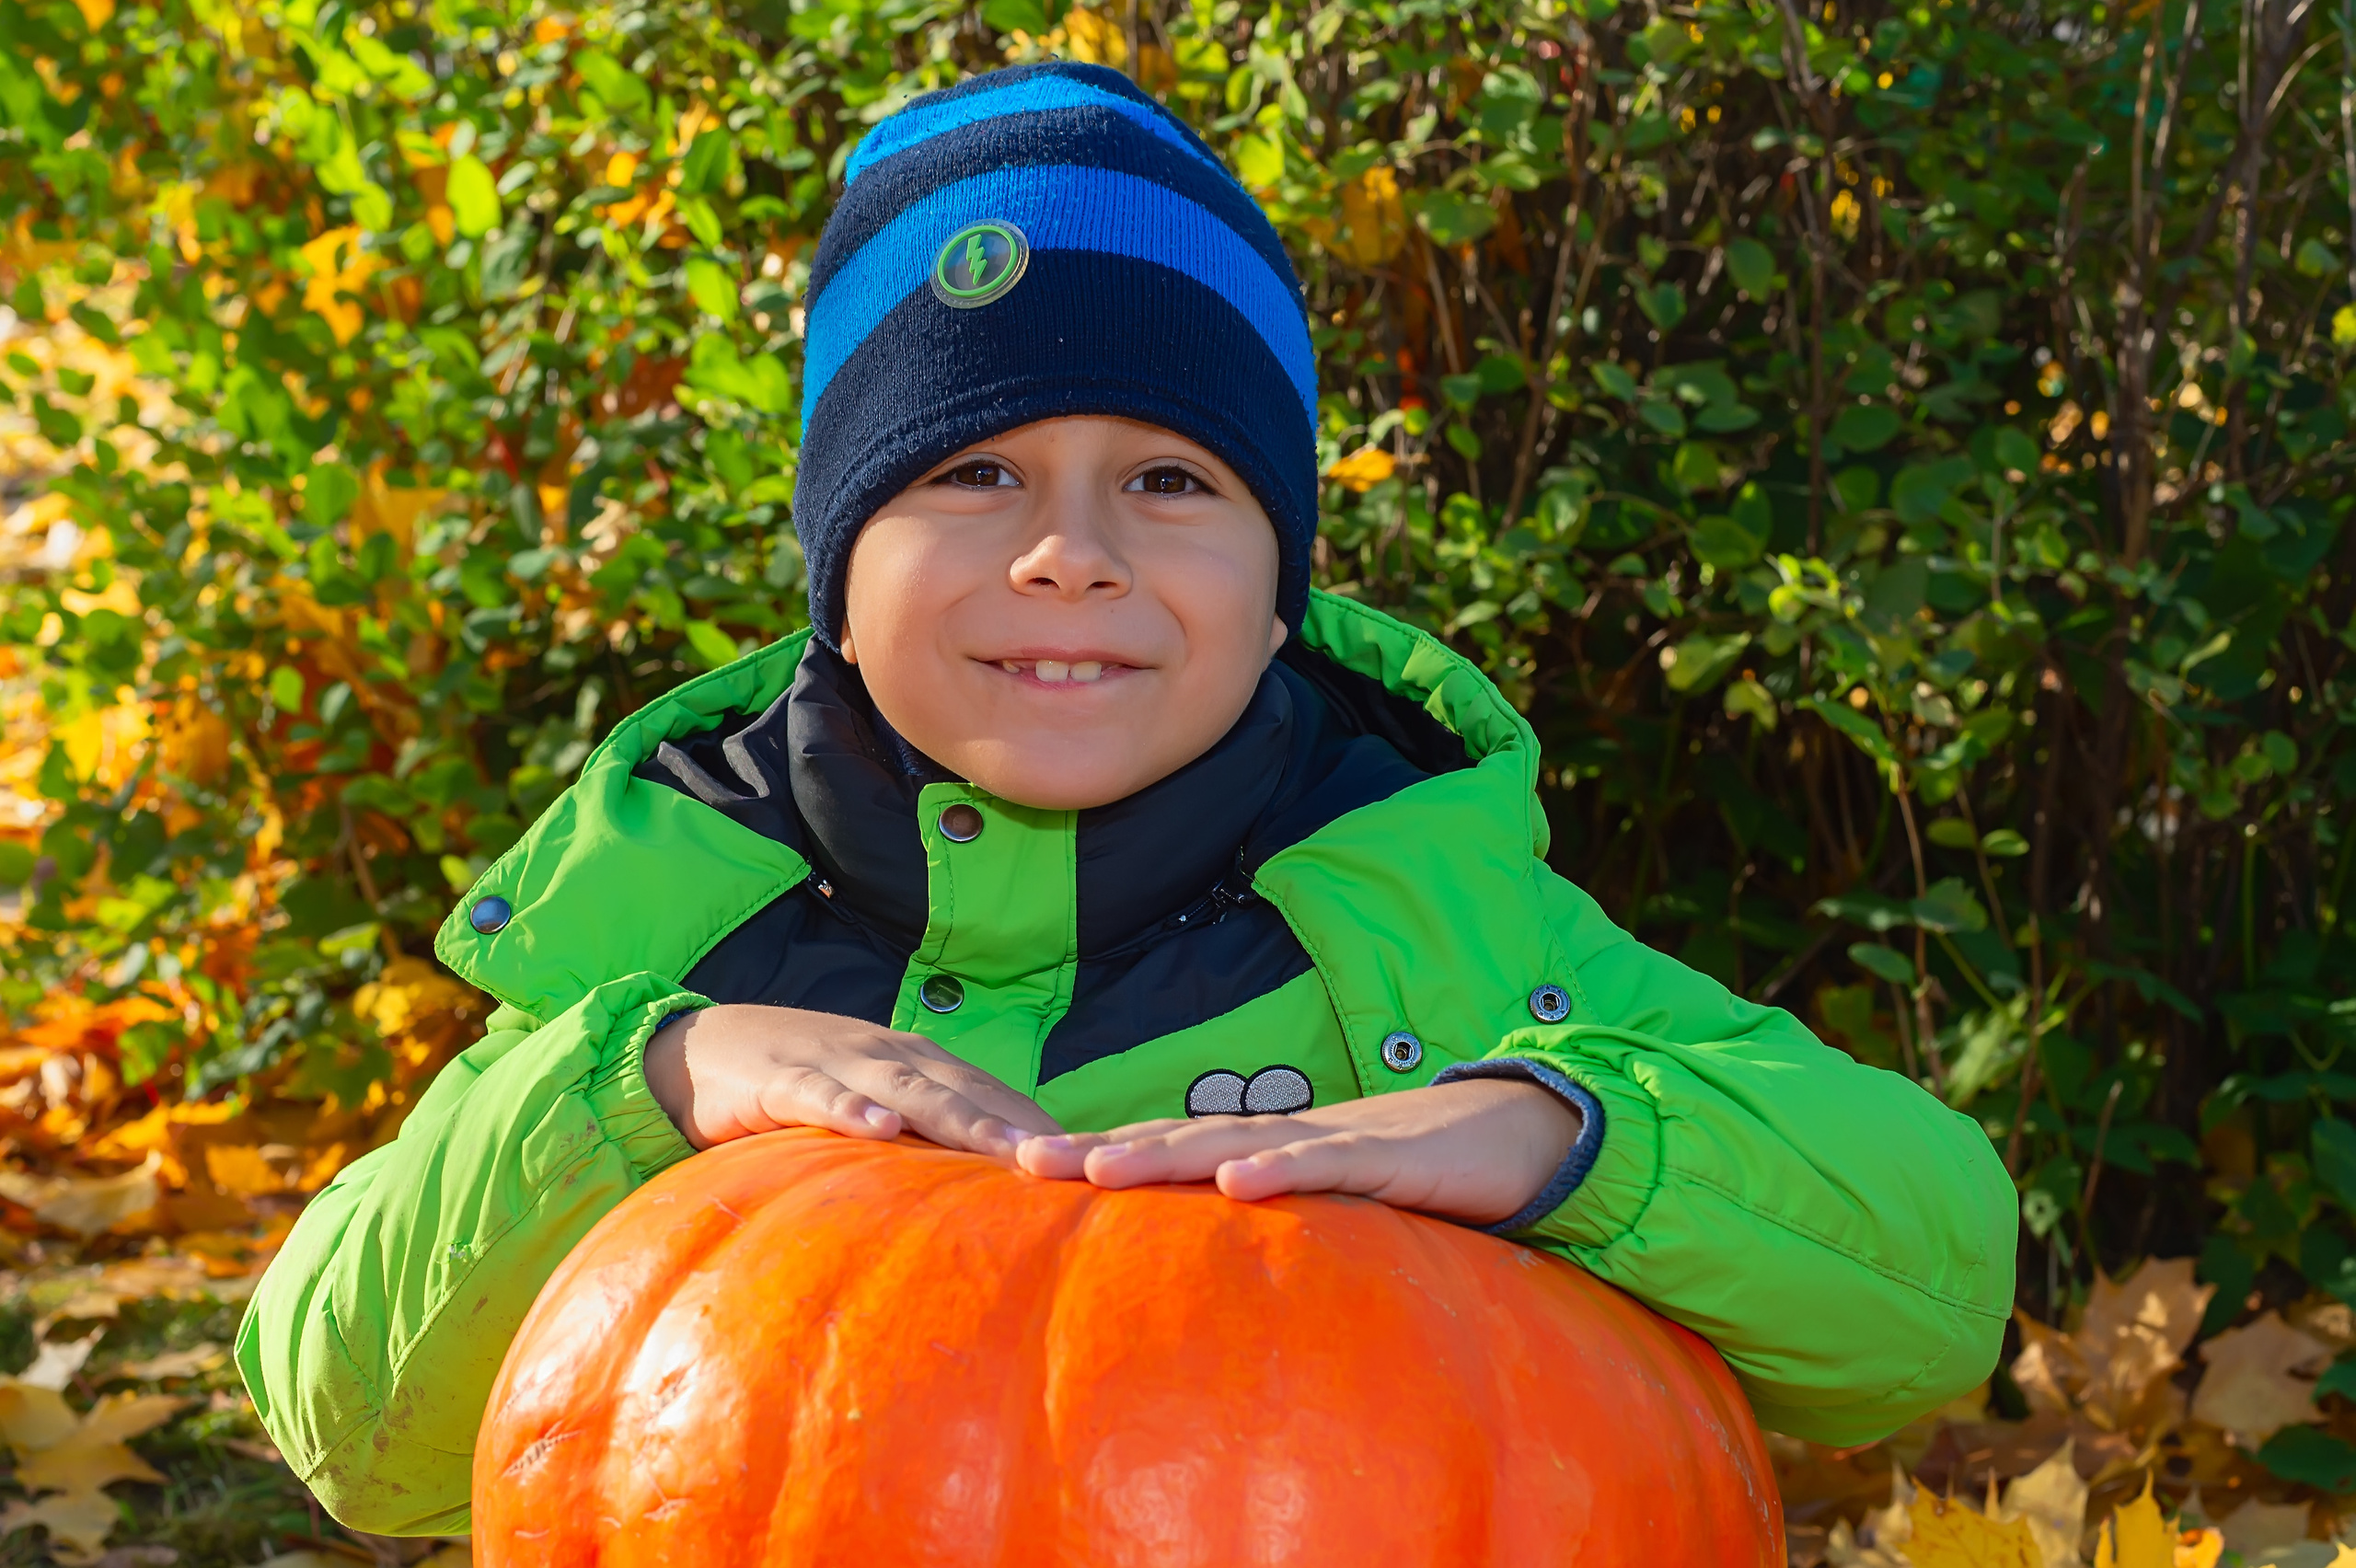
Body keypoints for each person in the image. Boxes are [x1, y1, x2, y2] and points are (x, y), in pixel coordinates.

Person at [237, 61, 2017, 1535]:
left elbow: (1930, 1299)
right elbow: (356, 1429)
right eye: (973, 471)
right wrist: (651, 1085)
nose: (1067, 557)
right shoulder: (691, 920)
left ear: (1278, 572)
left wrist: (1566, 1137)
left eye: (1170, 478)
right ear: (837, 563)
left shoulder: (1434, 922)